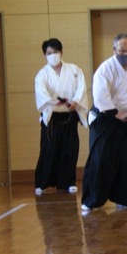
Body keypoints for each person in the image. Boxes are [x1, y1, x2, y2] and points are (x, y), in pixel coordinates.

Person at [81, 33, 127, 211]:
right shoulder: (105, 69)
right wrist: (116, 113)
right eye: (122, 50)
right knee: (101, 160)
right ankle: (92, 200)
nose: (126, 54)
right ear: (114, 50)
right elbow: (100, 94)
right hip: (105, 118)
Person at [34, 38, 89, 195]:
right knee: (48, 150)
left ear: (61, 52)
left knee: (69, 149)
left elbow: (81, 88)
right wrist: (56, 102)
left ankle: (68, 182)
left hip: (70, 115)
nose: (53, 55)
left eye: (55, 52)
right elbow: (42, 94)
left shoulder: (74, 70)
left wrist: (75, 102)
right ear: (44, 55)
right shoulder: (42, 74)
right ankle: (42, 183)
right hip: (52, 117)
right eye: (49, 53)